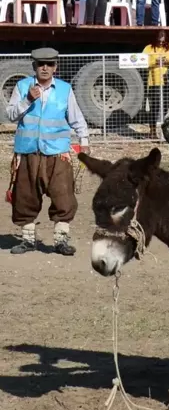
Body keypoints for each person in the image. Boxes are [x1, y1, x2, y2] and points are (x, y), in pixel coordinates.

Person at [5, 48, 90, 256]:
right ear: (34, 66)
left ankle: (61, 241)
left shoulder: (64, 89)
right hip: (27, 152)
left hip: (58, 154)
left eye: (50, 64)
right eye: (41, 63)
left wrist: (84, 141)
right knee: (25, 196)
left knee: (64, 196)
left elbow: (76, 117)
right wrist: (27, 100)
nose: (45, 67)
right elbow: (10, 115)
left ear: (55, 67)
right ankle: (27, 240)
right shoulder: (22, 86)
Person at [143, 30, 169, 137]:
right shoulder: (148, 48)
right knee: (154, 107)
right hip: (154, 82)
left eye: (163, 42)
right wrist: (155, 62)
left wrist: (167, 62)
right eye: (159, 41)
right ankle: (152, 131)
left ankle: (165, 131)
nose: (161, 43)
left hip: (167, 82)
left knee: (167, 107)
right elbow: (142, 61)